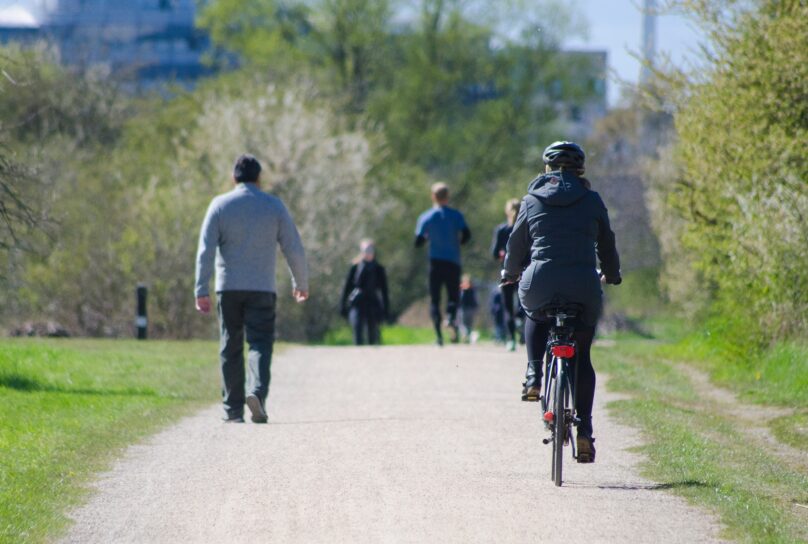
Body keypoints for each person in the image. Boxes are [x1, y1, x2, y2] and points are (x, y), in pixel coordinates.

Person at [501, 141, 621, 463]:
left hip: (540, 281)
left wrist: (509, 273)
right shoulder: (592, 200)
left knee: (534, 311)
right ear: (580, 170)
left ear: (547, 169)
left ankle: (533, 374)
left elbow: (515, 245)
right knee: (583, 356)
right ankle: (585, 431)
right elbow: (606, 244)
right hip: (583, 285)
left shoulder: (530, 199)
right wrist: (612, 273)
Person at [195, 154, 309, 424]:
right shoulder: (274, 206)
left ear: (234, 177)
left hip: (229, 287)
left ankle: (233, 410)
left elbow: (205, 250)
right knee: (260, 343)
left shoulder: (219, 205)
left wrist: (201, 289)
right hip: (262, 288)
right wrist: (301, 282)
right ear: (259, 178)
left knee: (230, 345)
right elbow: (293, 246)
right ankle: (256, 393)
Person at [414, 182, 471, 346]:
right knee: (454, 296)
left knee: (435, 299)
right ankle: (451, 317)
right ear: (447, 196)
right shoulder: (456, 215)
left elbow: (418, 242)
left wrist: (427, 237)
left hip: (435, 263)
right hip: (453, 261)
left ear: (433, 196)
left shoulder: (426, 217)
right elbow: (467, 234)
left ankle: (439, 337)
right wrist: (457, 242)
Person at [340, 239, 390, 345]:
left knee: (372, 333)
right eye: (365, 250)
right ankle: (358, 355)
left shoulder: (378, 269)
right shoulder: (355, 267)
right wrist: (342, 305)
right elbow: (347, 287)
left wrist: (386, 309)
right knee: (357, 328)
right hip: (358, 303)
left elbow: (384, 290)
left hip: (372, 303)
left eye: (370, 250)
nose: (368, 253)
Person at [490, 198, 521, 351]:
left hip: (507, 272)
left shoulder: (501, 230)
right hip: (525, 271)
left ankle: (511, 340)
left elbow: (495, 253)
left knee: (508, 307)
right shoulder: (526, 228)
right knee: (525, 303)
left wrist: (503, 254)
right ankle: (521, 321)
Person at [458, 274, 479, 343]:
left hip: (464, 309)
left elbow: (460, 300)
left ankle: (467, 336)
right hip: (470, 309)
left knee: (463, 324)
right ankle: (468, 338)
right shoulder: (472, 289)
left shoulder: (462, 290)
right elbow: (475, 300)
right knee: (468, 325)